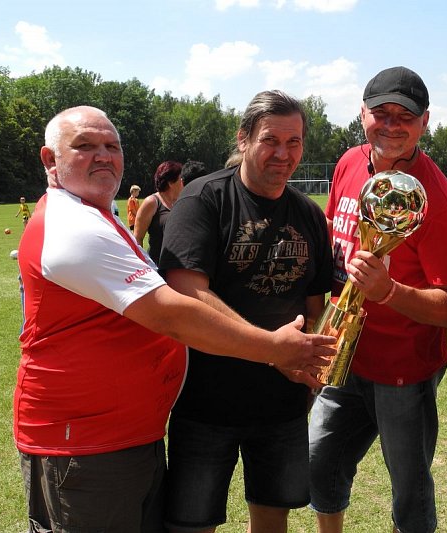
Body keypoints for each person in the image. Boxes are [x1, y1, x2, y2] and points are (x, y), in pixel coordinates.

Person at [14, 105, 336, 533]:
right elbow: (173, 312)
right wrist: (277, 351)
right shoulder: (74, 227)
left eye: (112, 146)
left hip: (126, 433)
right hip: (85, 439)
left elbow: (314, 300)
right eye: (85, 146)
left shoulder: (97, 216)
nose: (103, 156)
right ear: (50, 159)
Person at [159, 90, 332, 533]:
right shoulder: (203, 199)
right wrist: (275, 351)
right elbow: (187, 293)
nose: (283, 154)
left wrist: (309, 364)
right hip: (206, 402)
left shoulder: (309, 214)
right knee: (192, 523)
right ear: (243, 139)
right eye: (270, 140)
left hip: (282, 405)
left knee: (273, 515)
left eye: (294, 142)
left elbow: (316, 305)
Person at [308, 66, 447, 533]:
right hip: (343, 352)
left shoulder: (437, 197)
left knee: (409, 487)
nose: (392, 125)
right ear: (362, 114)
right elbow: (332, 240)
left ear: (425, 122)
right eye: (382, 113)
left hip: (404, 368)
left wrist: (389, 291)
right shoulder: (348, 163)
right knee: (318, 461)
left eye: (406, 116)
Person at [133, 161, 183, 266]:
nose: (183, 181)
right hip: (157, 266)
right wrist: (143, 265)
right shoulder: (152, 202)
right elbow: (137, 238)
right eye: (180, 178)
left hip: (178, 266)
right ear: (170, 182)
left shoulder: (181, 201)